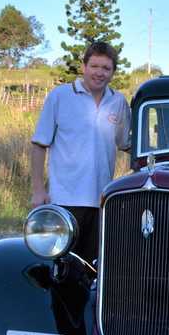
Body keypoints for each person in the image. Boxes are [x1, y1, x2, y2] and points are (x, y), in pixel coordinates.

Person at [30, 41, 130, 260]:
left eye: (106, 68)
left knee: (94, 268)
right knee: (62, 267)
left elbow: (126, 143)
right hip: (65, 199)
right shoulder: (60, 96)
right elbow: (39, 145)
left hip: (102, 201)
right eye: (95, 66)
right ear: (83, 67)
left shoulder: (119, 102)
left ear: (112, 72)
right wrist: (38, 190)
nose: (100, 73)